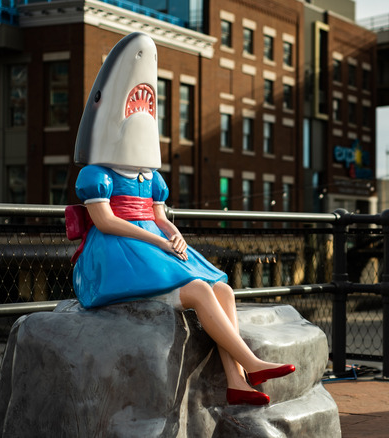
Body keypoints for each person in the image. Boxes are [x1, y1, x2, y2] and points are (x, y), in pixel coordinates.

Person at [68, 32, 294, 406]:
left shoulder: (151, 179)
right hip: (115, 253)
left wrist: (174, 235)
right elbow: (105, 223)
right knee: (200, 290)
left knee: (222, 289)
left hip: (150, 244)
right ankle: (251, 362)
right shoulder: (97, 174)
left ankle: (237, 380)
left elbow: (160, 215)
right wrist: (157, 241)